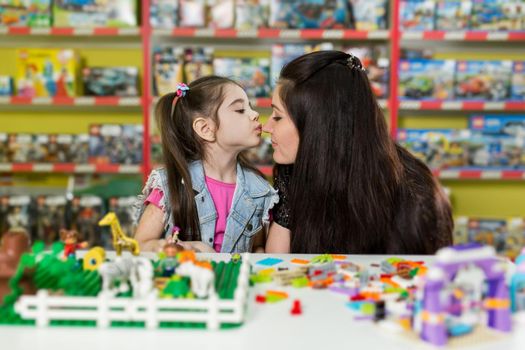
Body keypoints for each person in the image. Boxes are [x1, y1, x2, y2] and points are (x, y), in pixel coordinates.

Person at [263, 50, 453, 255]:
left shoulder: (413, 193)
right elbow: (277, 263)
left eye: (277, 116)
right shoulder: (293, 171)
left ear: (319, 127)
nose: (266, 126)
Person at [134, 76, 278, 253]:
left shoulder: (260, 191)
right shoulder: (170, 186)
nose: (255, 114)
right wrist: (186, 247)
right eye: (240, 110)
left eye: (250, 107)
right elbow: (140, 245)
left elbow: (257, 247)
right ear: (206, 129)